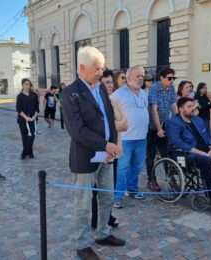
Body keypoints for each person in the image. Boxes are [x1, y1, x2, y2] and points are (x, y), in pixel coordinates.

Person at [62, 46, 125, 260]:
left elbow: (109, 119)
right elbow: (76, 130)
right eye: (97, 68)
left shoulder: (100, 89)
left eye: (103, 68)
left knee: (107, 197)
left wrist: (113, 144)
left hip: (106, 156)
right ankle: (82, 245)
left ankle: (103, 233)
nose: (102, 73)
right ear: (82, 68)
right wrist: (105, 145)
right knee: (83, 204)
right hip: (84, 158)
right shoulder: (70, 93)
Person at [91, 69, 127, 229]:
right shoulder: (95, 101)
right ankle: (94, 218)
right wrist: (112, 125)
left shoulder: (115, 101)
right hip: (97, 151)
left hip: (114, 151)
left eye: (112, 82)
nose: (110, 85)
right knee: (94, 188)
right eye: (107, 82)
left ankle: (107, 216)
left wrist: (110, 125)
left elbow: (125, 124)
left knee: (108, 188)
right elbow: (95, 128)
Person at [111, 66, 149, 208]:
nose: (140, 78)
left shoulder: (145, 93)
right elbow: (111, 117)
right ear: (128, 78)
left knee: (138, 166)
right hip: (125, 138)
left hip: (142, 137)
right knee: (122, 168)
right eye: (137, 76)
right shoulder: (117, 95)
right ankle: (118, 196)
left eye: (142, 76)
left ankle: (132, 189)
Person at [146, 67, 177, 192]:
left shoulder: (171, 88)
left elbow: (173, 106)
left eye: (173, 78)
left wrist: (179, 122)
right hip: (151, 127)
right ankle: (151, 180)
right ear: (161, 78)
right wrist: (158, 129)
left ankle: (170, 178)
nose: (172, 81)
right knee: (151, 155)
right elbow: (153, 109)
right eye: (169, 78)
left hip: (163, 124)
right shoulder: (154, 88)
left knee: (166, 153)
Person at [16, 78, 39, 160]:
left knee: (32, 136)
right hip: (23, 120)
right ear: (22, 85)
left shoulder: (34, 95)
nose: (27, 86)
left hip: (33, 119)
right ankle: (28, 152)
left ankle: (26, 152)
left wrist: (34, 116)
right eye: (25, 84)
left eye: (29, 84)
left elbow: (37, 107)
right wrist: (26, 117)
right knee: (25, 137)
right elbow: (19, 109)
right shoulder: (20, 96)